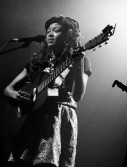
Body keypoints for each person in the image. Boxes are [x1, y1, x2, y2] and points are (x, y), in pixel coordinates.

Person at [3, 15, 92, 167]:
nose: (50, 34)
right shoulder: (39, 61)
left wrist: (78, 65)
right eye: (48, 31)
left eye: (56, 31)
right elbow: (8, 89)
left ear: (68, 35)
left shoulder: (81, 60)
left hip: (59, 116)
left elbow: (78, 96)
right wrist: (20, 97)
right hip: (34, 118)